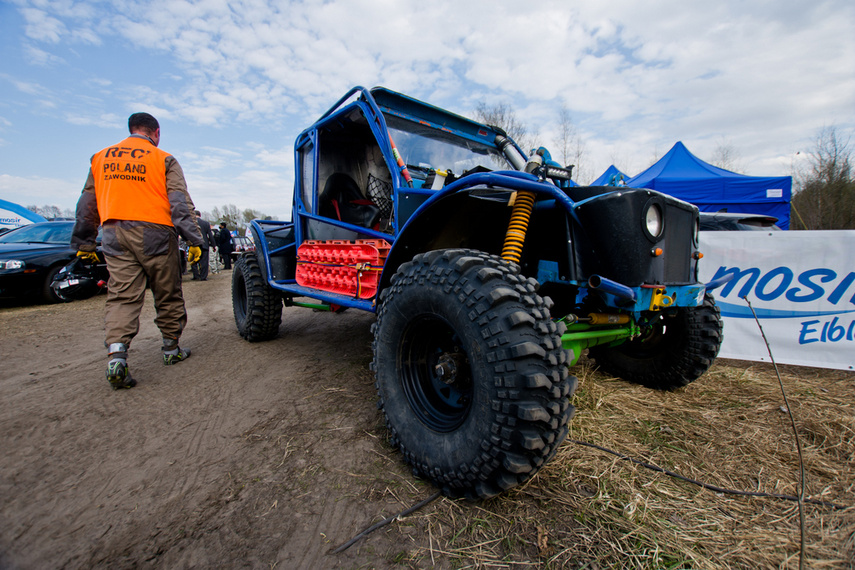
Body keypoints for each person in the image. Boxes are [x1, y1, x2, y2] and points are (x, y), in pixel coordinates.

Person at [72, 112, 205, 390]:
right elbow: (179, 203)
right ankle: (171, 349)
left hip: (113, 233)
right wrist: (195, 240)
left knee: (122, 296)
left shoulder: (100, 158)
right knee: (167, 292)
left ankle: (117, 358)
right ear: (156, 133)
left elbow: (87, 204)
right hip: (156, 232)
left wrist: (85, 243)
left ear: (131, 129)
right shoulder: (163, 159)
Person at [191, 210, 215, 281]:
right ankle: (203, 276)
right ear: (200, 215)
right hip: (204, 244)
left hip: (194, 244)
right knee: (204, 261)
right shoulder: (206, 223)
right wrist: (213, 245)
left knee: (194, 261)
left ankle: (196, 275)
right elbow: (210, 235)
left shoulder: (191, 223)